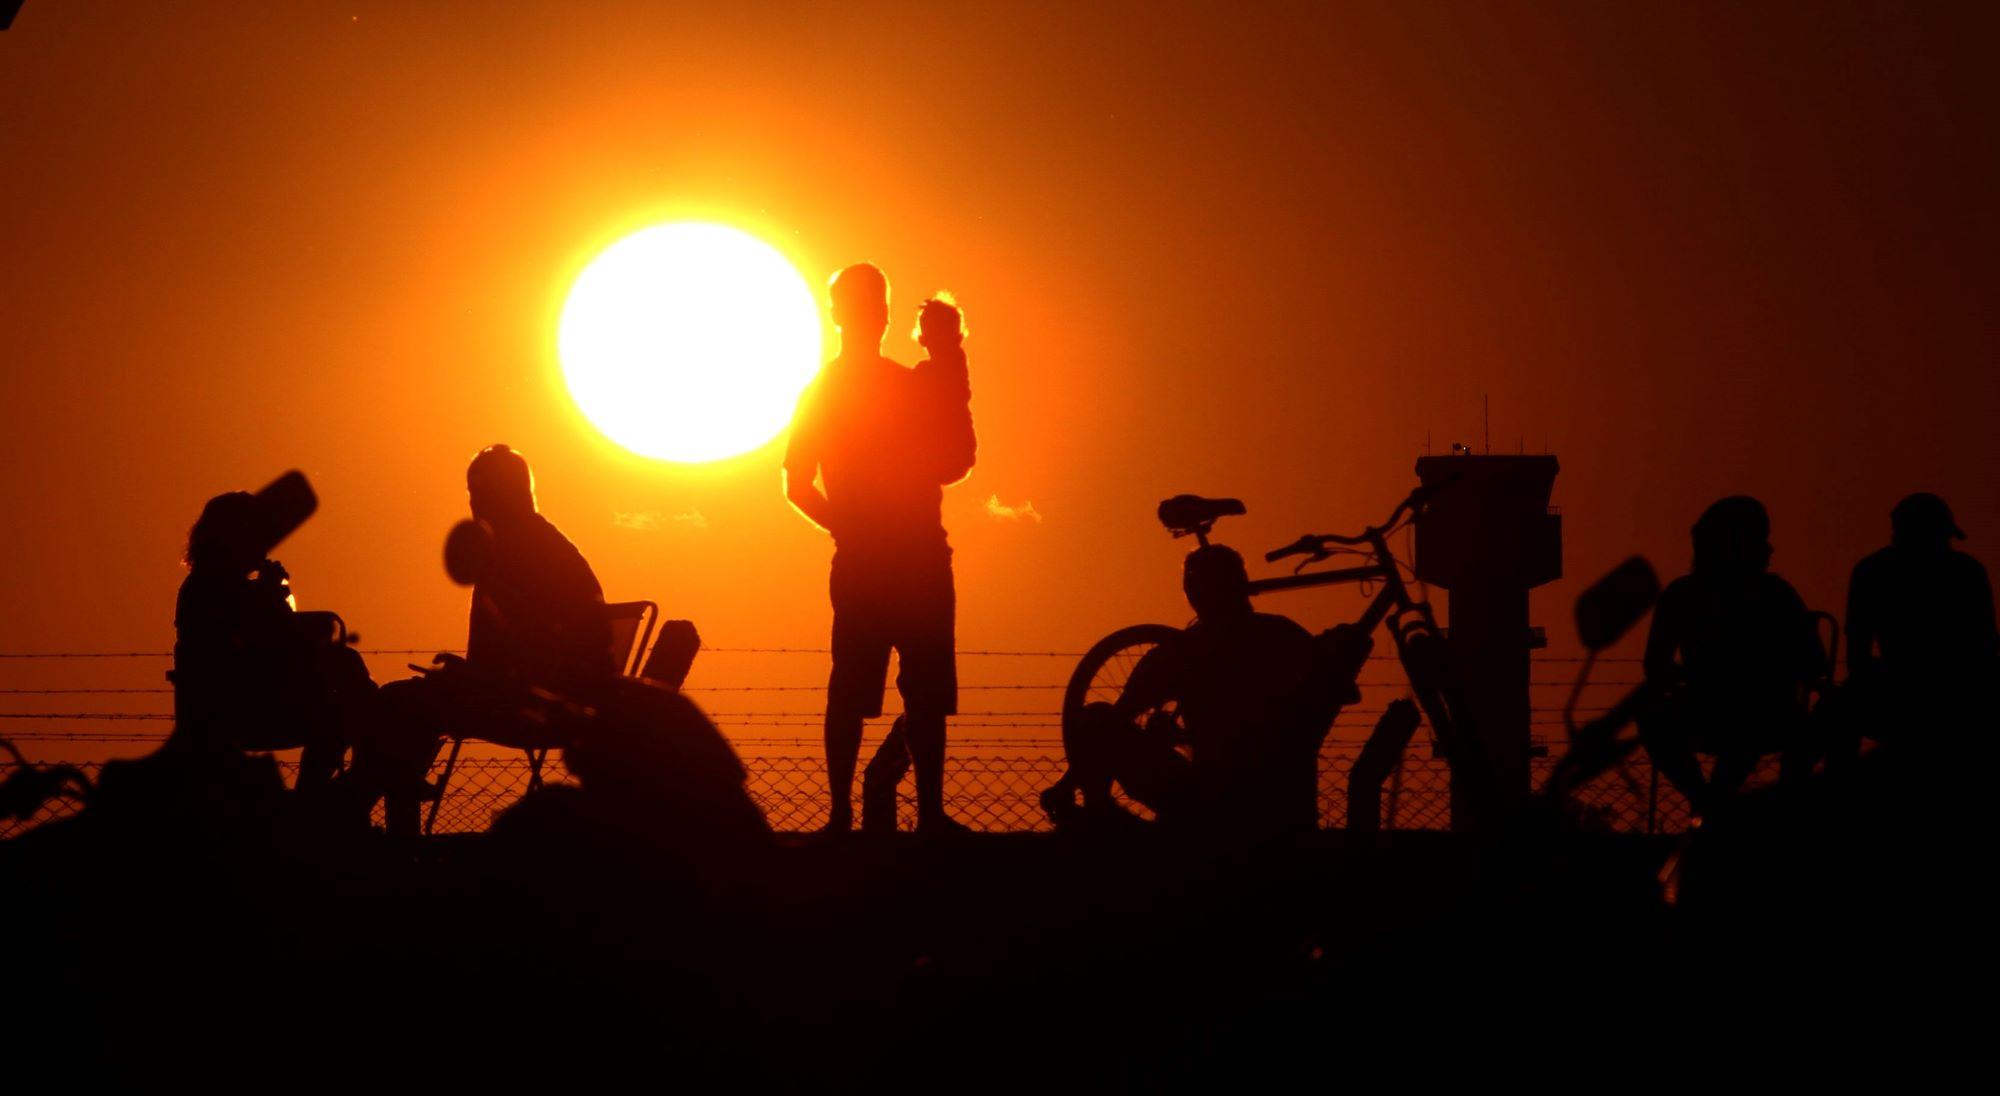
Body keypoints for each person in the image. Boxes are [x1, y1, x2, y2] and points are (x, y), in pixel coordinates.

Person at [783, 266, 976, 834]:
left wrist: (950, 368)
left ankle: (872, 816)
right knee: (883, 689)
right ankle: (880, 815)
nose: (873, 315)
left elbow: (955, 460)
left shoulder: (852, 388)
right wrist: (846, 529)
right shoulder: (847, 390)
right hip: (901, 558)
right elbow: (798, 483)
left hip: (905, 557)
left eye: (874, 306)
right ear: (846, 315)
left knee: (903, 690)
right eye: (866, 305)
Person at [1043, 545, 1370, 840]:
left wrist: (1068, 785)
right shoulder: (1282, 634)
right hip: (1282, 803)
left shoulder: (1178, 652)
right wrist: (1334, 656)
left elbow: (1113, 722)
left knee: (1096, 718)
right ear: (1242, 583)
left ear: (1192, 593)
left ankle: (1101, 817)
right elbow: (1341, 693)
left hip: (1204, 802)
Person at [374, 444, 614, 835]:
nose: (474, 502)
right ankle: (394, 794)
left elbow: (532, 653)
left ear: (509, 493)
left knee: (398, 704)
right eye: (472, 492)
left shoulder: (520, 554)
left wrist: (471, 676)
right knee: (406, 706)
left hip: (538, 702)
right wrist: (470, 673)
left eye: (482, 491)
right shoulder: (531, 544)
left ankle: (389, 826)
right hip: (544, 694)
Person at [171, 490, 376, 798]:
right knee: (342, 707)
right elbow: (265, 644)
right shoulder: (213, 589)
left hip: (255, 699)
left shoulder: (220, 586)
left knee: (348, 686)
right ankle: (323, 794)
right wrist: (270, 595)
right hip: (244, 706)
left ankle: (362, 768)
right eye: (257, 534)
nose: (265, 543)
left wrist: (272, 596)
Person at [1638, 496, 1826, 812]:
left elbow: (1814, 661)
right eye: (1760, 539)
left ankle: (1710, 807)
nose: (1769, 549)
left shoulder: (1772, 594)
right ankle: (1712, 804)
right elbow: (1655, 664)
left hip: (1762, 710)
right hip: (1715, 708)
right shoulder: (1688, 595)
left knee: (1746, 715)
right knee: (1655, 713)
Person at [1839, 492, 1997, 748]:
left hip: (1911, 685)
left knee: (1837, 712)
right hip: (1958, 688)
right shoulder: (1968, 571)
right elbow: (1986, 645)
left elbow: (1857, 650)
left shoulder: (1870, 570)